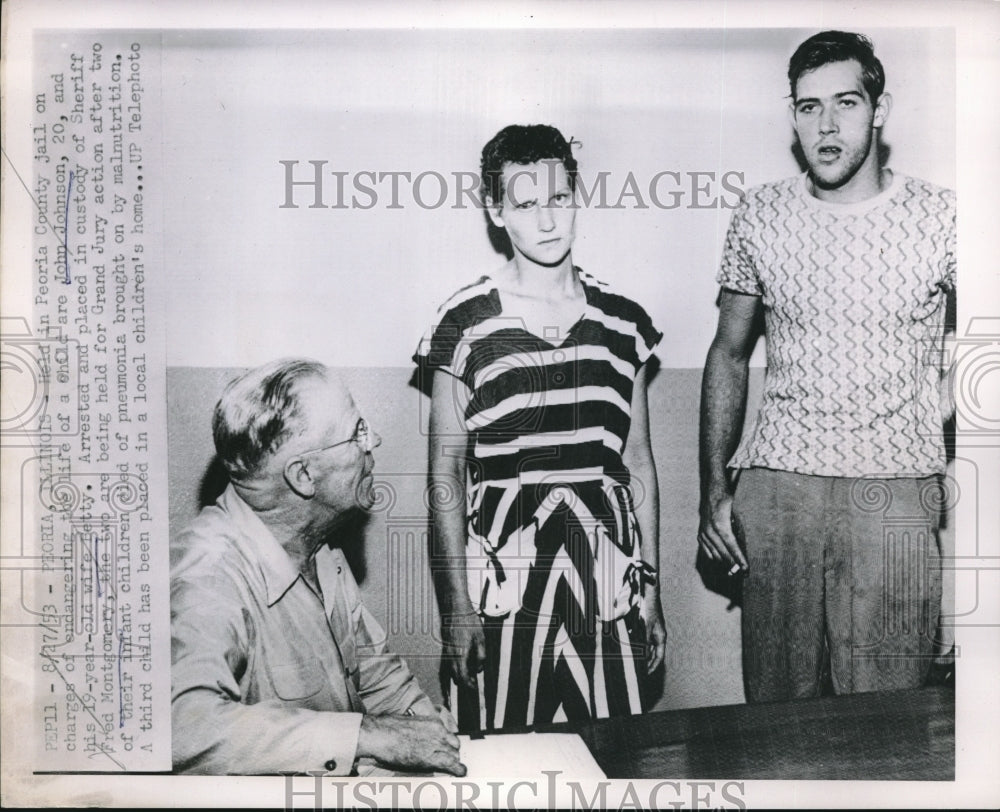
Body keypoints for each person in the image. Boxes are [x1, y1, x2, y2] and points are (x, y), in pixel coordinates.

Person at [698, 31, 955, 702]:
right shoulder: (760, 213)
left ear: (879, 108)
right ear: (792, 116)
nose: (828, 125)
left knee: (887, 725)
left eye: (845, 102)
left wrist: (939, 412)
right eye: (808, 107)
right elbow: (727, 353)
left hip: (895, 493)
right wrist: (715, 496)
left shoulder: (943, 216)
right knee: (776, 720)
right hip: (779, 492)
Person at [414, 124, 667, 732]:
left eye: (558, 199)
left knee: (613, 760)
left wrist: (652, 590)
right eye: (526, 205)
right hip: (503, 578)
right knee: (500, 755)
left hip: (606, 574)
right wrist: (456, 608)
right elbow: (445, 472)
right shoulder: (463, 322)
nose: (548, 221)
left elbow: (638, 465)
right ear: (497, 212)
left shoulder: (623, 323)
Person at [171, 359, 465, 776]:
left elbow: (373, 671)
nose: (374, 442)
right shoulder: (209, 575)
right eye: (357, 433)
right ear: (304, 475)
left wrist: (432, 734)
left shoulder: (317, 548)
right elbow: (182, 728)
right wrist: (367, 735)